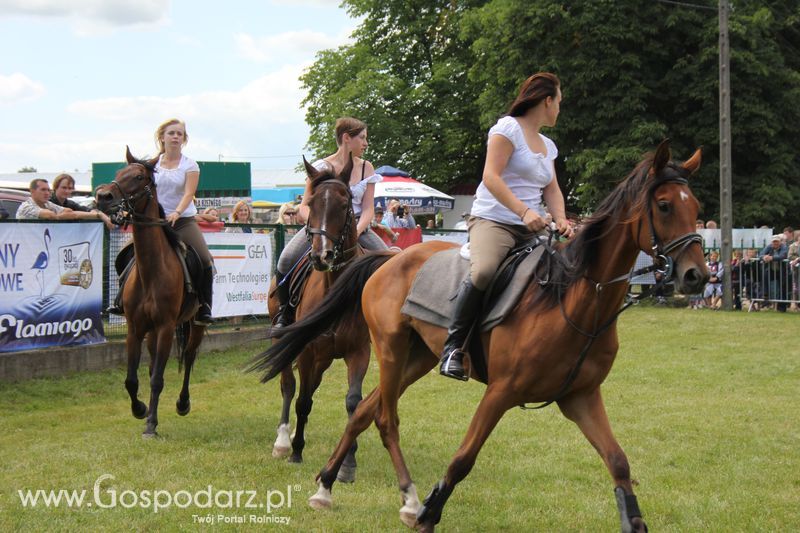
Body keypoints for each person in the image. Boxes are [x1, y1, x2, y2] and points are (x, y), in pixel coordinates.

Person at [439, 72, 572, 381]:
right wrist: (524, 212)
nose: (559, 108)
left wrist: (562, 218)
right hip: (494, 220)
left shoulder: (548, 146)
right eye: (559, 102)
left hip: (533, 227)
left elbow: (552, 189)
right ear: (547, 101)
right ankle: (453, 348)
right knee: (484, 271)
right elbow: (491, 177)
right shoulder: (507, 128)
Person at [272, 117, 388, 328]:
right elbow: (304, 207)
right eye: (362, 138)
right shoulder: (320, 166)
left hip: (357, 227)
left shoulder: (367, 168)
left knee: (390, 261)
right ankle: (284, 314)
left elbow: (368, 209)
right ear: (347, 138)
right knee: (286, 260)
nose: (366, 143)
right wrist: (319, 228)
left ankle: (387, 319)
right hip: (322, 227)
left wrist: (355, 231)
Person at [107, 119, 214, 324]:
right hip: (154, 222)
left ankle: (204, 307)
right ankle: (121, 300)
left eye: (180, 134)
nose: (175, 137)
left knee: (204, 259)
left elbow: (189, 193)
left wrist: (177, 212)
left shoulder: (190, 165)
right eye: (171, 133)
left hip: (182, 221)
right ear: (162, 137)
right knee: (125, 255)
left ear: (184, 139)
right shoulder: (151, 165)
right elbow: (139, 190)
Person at [16, 178, 106, 222]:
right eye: (43, 190)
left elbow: (70, 211)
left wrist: (99, 214)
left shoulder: (48, 204)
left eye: (48, 190)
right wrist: (59, 216)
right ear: (32, 191)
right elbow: (50, 215)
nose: (47, 193)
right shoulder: (26, 206)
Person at [760, 235, 788, 312]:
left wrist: (771, 258)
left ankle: (782, 307)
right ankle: (765, 295)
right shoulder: (769, 247)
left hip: (782, 270)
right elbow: (760, 254)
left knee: (783, 287)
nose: (775, 243)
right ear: (771, 242)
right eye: (774, 242)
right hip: (771, 270)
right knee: (765, 275)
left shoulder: (784, 247)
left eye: (777, 241)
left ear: (780, 242)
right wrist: (764, 257)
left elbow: (782, 256)